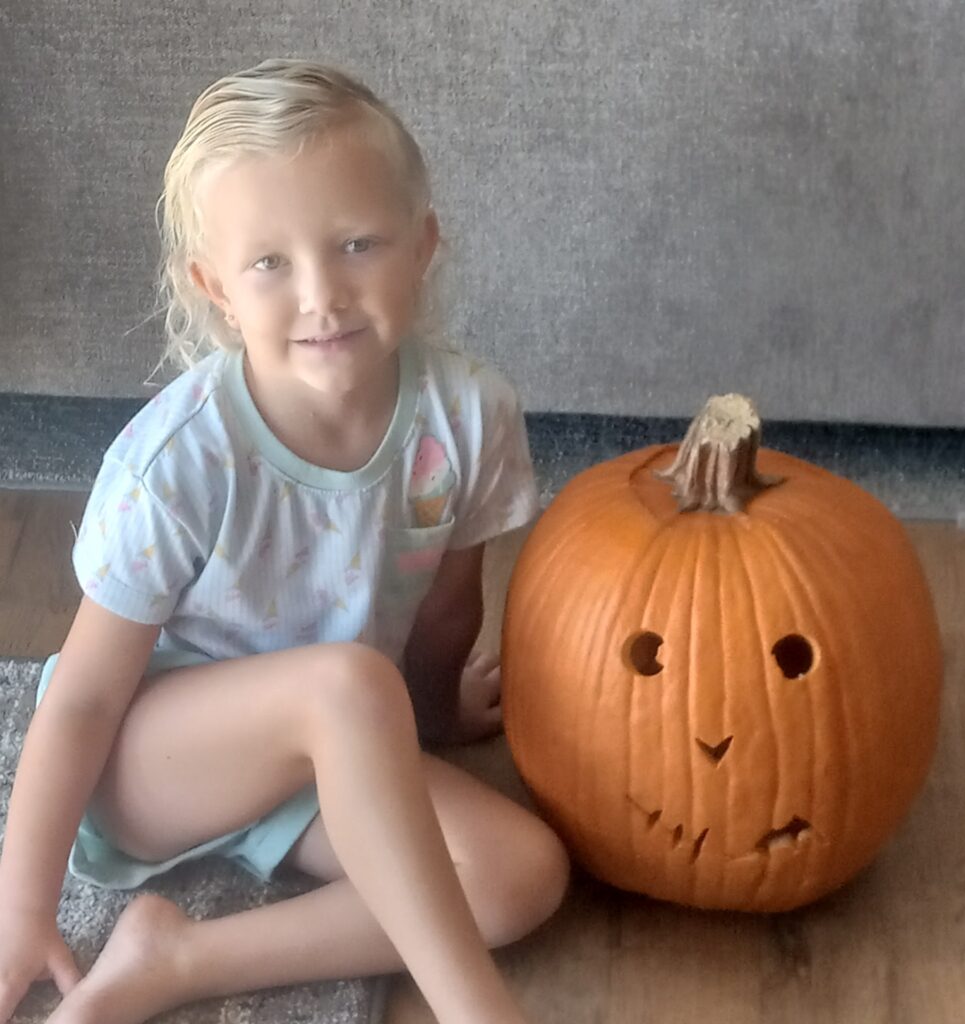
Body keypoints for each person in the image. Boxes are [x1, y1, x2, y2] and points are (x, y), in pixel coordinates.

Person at [0, 58, 570, 1024]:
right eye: (271, 263)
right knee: (343, 682)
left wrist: (434, 716)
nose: (321, 295)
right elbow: (87, 697)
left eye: (356, 243)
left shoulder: (469, 415)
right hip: (151, 761)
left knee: (520, 876)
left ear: (423, 245)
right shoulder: (178, 463)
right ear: (215, 286)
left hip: (328, 755)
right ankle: (479, 1010)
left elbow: (442, 612)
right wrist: (22, 905)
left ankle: (178, 959)